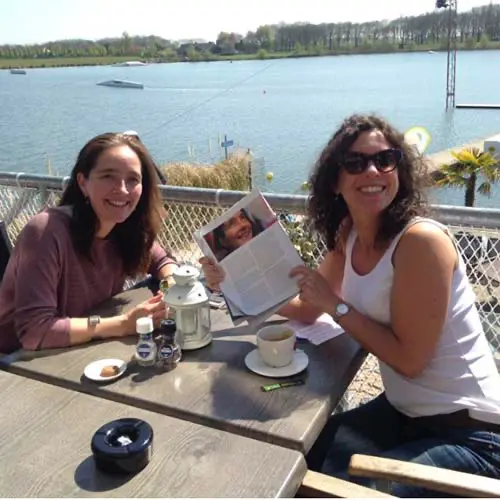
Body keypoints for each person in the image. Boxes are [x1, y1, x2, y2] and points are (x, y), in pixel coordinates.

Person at [201, 114, 500, 496]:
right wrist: (233, 285)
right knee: (297, 461)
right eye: (355, 163)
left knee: (334, 491)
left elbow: (410, 361)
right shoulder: (351, 233)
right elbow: (309, 307)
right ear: (336, 182)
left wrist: (336, 306)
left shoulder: (421, 242)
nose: (372, 171)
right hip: (404, 412)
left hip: (472, 436)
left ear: (399, 169)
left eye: (385, 159)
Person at [0, 132, 178, 354]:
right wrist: (124, 324)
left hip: (81, 348)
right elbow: (35, 331)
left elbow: (161, 260)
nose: (122, 189)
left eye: (133, 179)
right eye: (108, 176)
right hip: (18, 365)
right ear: (83, 183)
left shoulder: (123, 226)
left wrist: (172, 287)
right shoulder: (46, 231)